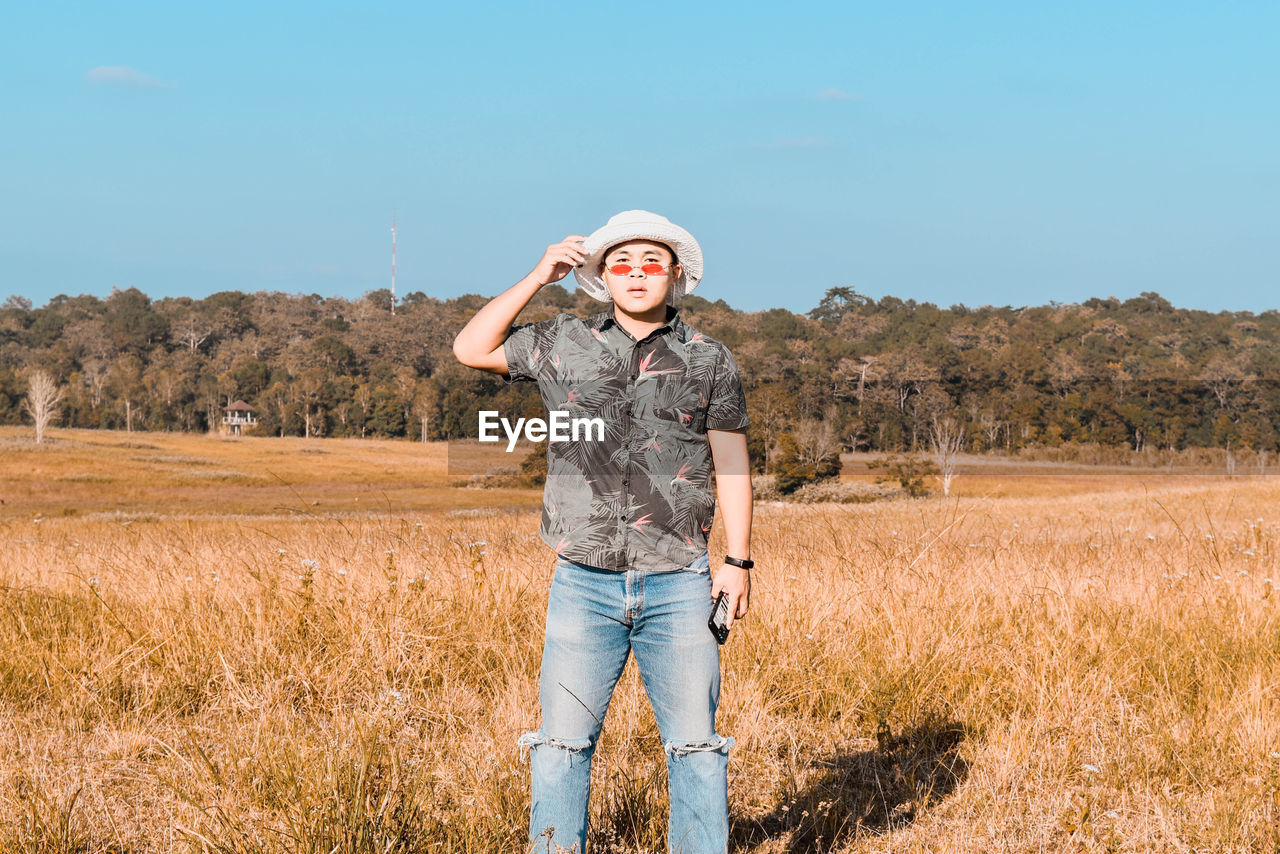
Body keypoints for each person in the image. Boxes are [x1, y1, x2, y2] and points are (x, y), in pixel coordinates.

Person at [453, 210, 753, 854]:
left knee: (696, 746)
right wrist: (538, 276)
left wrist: (738, 561)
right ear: (601, 275)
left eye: (652, 261)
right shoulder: (561, 343)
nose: (637, 273)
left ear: (675, 275)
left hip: (679, 578)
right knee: (561, 744)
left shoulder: (708, 359)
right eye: (621, 261)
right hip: (582, 580)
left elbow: (730, 460)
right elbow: (470, 349)